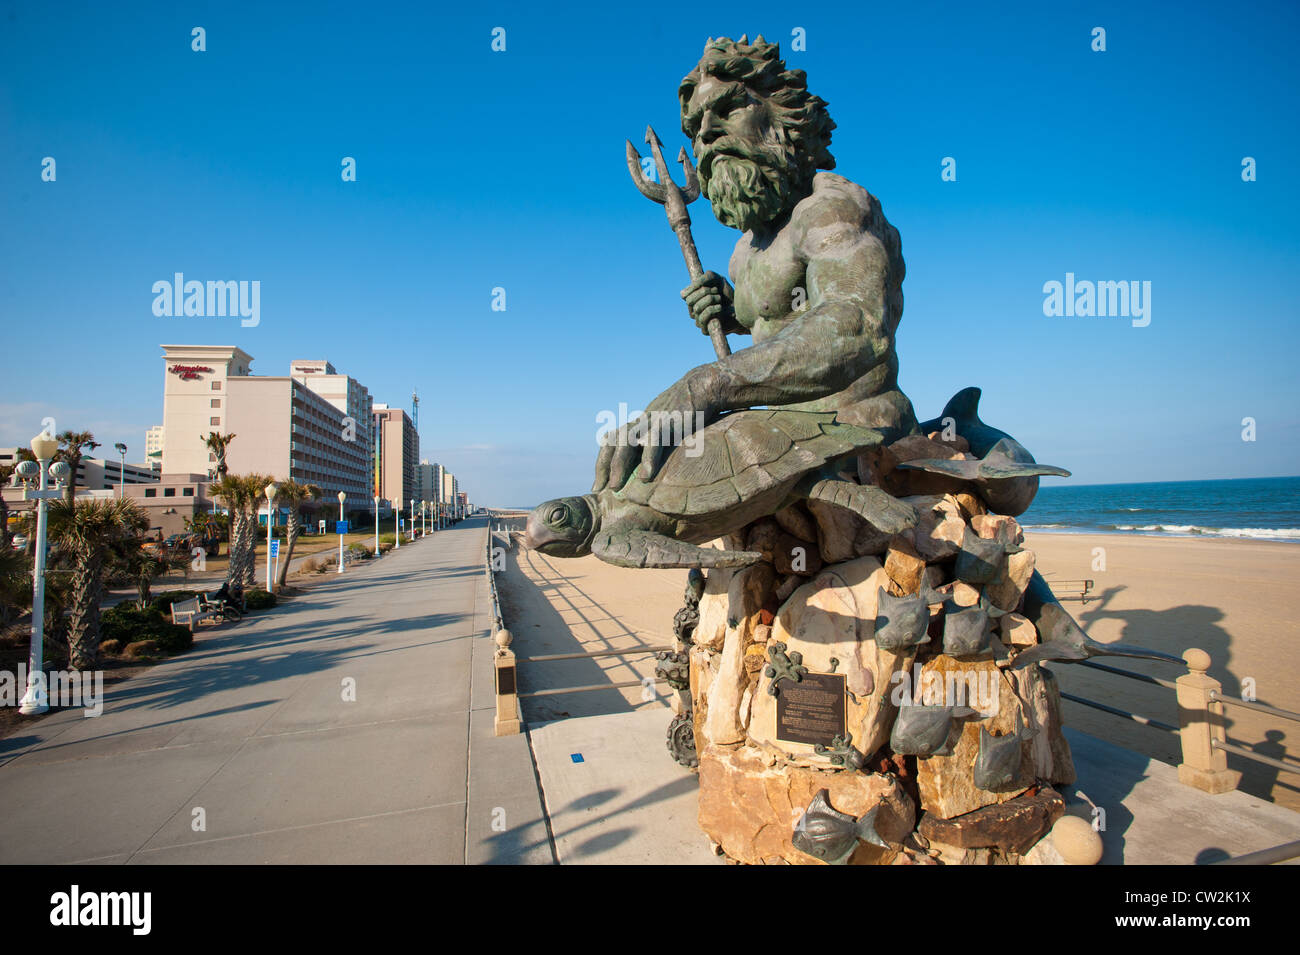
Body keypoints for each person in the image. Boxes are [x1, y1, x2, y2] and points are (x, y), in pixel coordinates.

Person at [594, 36, 916, 493]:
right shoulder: (745, 249)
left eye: (728, 110)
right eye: (695, 127)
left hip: (861, 441)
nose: (705, 133)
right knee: (646, 482)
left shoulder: (832, 207)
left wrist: (705, 386)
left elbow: (857, 327)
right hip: (784, 441)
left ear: (783, 116)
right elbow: (781, 318)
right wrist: (732, 311)